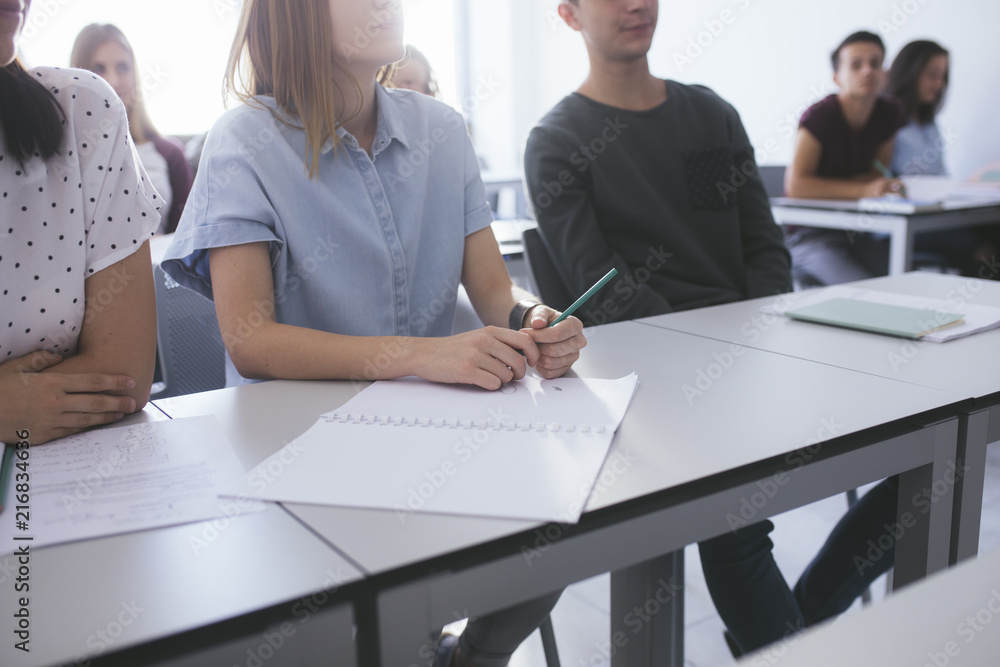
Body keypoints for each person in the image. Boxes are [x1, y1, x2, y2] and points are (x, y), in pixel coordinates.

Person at [160, 1, 585, 665]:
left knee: (564, 514)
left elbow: (496, 292)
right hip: (300, 461)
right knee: (369, 616)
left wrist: (531, 319)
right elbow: (250, 339)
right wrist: (422, 355)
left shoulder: (442, 131)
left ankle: (469, 655)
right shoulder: (242, 141)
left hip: (432, 442)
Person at [527, 1, 902, 657]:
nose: (635, 3)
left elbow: (762, 245)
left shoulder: (711, 116)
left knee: (929, 445)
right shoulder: (557, 140)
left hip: (758, 349)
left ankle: (798, 625)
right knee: (736, 522)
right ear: (569, 13)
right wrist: (717, 357)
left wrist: (754, 337)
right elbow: (606, 286)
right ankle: (797, 640)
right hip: (662, 381)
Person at [0, 0, 160, 445]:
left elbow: (122, 374)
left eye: (123, 65)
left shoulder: (82, 110)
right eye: (102, 63)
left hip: (65, 481)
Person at [784, 30, 908, 286]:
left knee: (903, 281)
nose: (867, 71)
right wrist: (863, 188)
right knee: (867, 292)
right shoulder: (819, 116)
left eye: (875, 63)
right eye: (855, 65)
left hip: (859, 232)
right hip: (811, 236)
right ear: (836, 77)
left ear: (884, 72)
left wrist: (872, 186)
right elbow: (796, 186)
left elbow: (876, 174)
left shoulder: (889, 112)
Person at [71, 23, 192, 235]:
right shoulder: (64, 156)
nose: (113, 81)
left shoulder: (170, 155)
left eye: (122, 68)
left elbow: (187, 242)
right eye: (98, 68)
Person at [886, 39, 995, 275]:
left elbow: (941, 177)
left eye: (943, 76)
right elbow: (884, 181)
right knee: (984, 251)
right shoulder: (887, 121)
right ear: (909, 73)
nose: (938, 84)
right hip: (906, 223)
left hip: (939, 216)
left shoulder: (929, 125)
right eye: (932, 75)